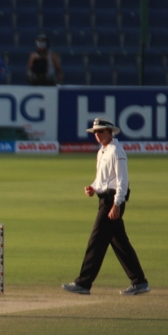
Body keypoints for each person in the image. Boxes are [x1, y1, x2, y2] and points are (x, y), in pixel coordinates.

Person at [63, 117, 150, 295]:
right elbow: (102, 179)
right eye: (95, 132)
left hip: (112, 201)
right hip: (104, 199)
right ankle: (139, 281)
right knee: (120, 244)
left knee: (96, 241)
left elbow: (122, 181)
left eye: (100, 131)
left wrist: (117, 204)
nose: (97, 134)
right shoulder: (102, 151)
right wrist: (93, 188)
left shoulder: (117, 151)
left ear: (110, 132)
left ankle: (84, 283)